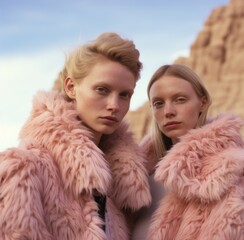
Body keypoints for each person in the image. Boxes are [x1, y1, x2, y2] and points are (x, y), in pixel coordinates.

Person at [0, 32, 152, 240]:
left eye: (124, 95)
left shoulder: (122, 187)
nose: (114, 106)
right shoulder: (23, 170)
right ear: (71, 87)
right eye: (102, 90)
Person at [133, 63, 244, 240]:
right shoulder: (136, 182)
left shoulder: (230, 176)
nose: (168, 111)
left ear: (203, 102)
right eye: (158, 103)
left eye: (180, 99)